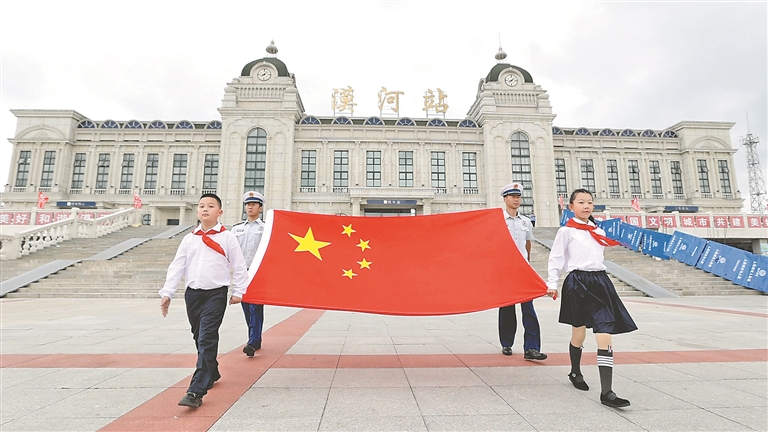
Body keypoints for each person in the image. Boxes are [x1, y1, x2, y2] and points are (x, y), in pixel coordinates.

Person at [546, 188, 638, 409]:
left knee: (604, 332)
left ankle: (607, 392)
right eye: (580, 202)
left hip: (600, 282)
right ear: (571, 207)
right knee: (578, 332)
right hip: (577, 282)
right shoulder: (566, 231)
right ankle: (575, 371)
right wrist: (552, 283)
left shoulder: (598, 230)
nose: (586, 206)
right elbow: (556, 258)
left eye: (589, 202)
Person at [159, 193, 248, 408]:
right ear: (197, 211)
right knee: (198, 336)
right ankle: (213, 370)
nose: (205, 209)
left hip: (216, 294)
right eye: (201, 206)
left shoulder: (228, 237)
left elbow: (239, 265)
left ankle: (196, 390)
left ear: (220, 212)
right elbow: (177, 266)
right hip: (193, 295)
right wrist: (167, 293)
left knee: (207, 337)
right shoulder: (190, 238)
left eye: (210, 206)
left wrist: (239, 291)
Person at [498, 182, 547, 361]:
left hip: (523, 271)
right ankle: (507, 343)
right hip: (505, 270)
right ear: (505, 199)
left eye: (518, 197)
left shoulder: (526, 221)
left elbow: (528, 245)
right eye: (513, 196)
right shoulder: (498, 221)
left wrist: (528, 266)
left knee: (529, 309)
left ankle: (531, 348)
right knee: (506, 308)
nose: (516, 199)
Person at [232, 191, 267, 357]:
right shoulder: (237, 229)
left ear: (260, 208)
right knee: (246, 307)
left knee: (255, 307)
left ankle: (252, 342)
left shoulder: (266, 228)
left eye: (253, 204)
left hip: (258, 273)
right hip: (242, 273)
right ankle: (256, 338)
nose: (250, 207)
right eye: (248, 204)